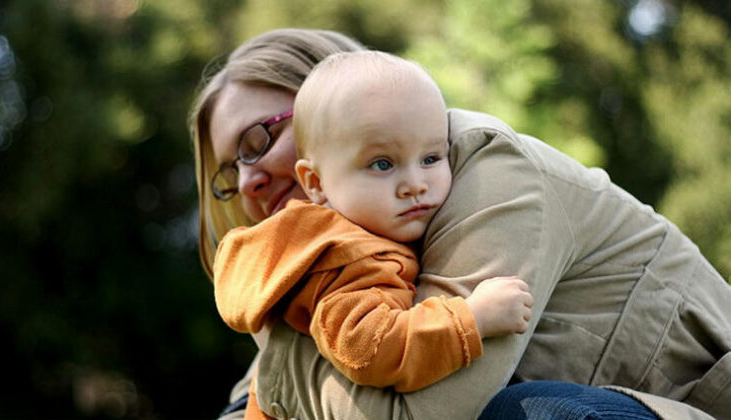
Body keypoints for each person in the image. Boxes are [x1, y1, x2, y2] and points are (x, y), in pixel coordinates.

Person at [189, 28, 731, 420]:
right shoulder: (338, 247)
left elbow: (419, 415)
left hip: (688, 407)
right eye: (229, 171)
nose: (249, 180)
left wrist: (276, 351)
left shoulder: (486, 170)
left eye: (257, 139)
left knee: (528, 413)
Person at [212, 50, 532, 419]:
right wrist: (472, 320)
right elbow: (367, 349)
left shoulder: (367, 231)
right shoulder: (343, 256)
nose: (415, 184)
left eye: (431, 158)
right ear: (316, 183)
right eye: (382, 164)